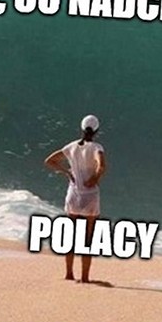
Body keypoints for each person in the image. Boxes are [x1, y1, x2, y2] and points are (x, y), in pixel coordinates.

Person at [44, 114, 107, 283]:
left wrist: (66, 172)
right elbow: (102, 166)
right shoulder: (97, 147)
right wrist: (94, 178)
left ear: (81, 129)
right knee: (88, 239)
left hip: (73, 195)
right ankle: (85, 277)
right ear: (97, 131)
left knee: (70, 236)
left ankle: (69, 274)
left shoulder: (71, 147)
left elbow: (49, 161)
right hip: (90, 197)